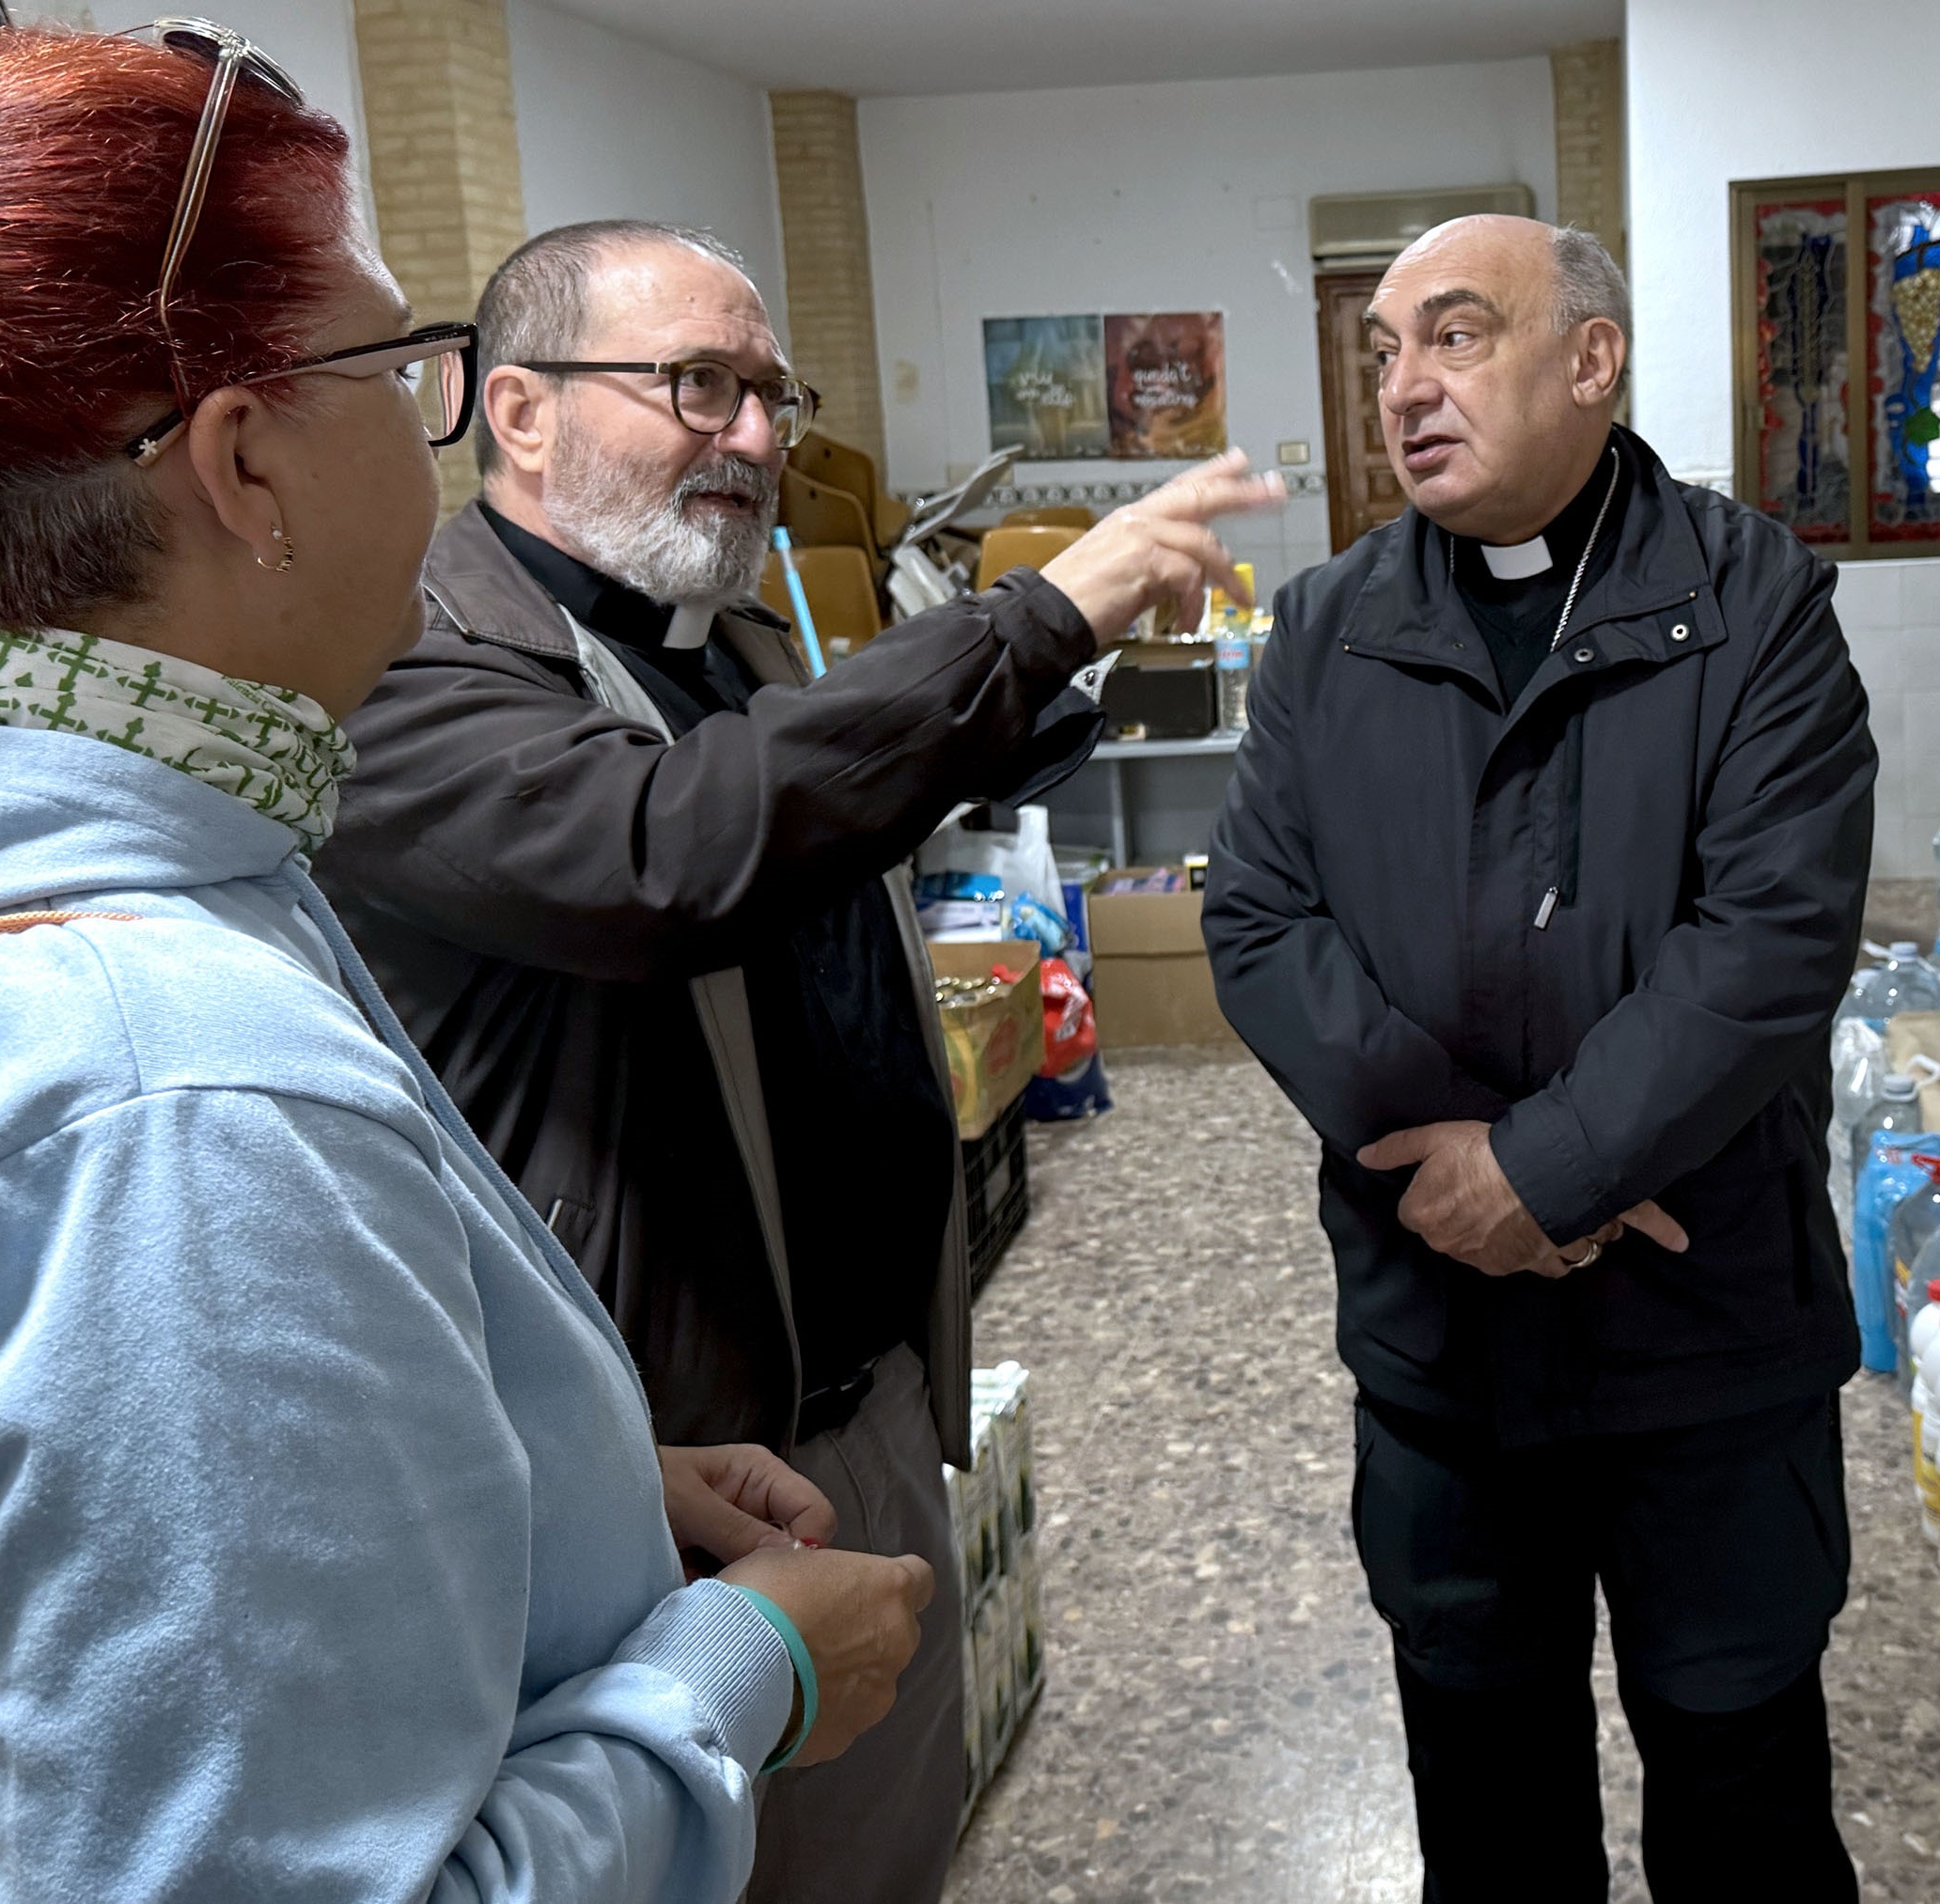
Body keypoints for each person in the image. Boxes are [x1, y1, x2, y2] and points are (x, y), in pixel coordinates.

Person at [0, 28, 933, 1898]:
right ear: (247, 458)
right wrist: (735, 1677)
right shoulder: (161, 1101)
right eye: (403, 370)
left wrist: (555, 1487)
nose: (433, 442)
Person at [316, 218, 1280, 1902]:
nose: (754, 437)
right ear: (519, 411)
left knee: (881, 1846)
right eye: (698, 385)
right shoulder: (414, 673)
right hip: (655, 1469)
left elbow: (817, 808)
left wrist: (1075, 672)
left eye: (768, 392)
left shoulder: (733, 645)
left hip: (861, 1401)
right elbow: (673, 848)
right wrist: (1037, 617)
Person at [1202, 216, 1877, 1900]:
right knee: (1491, 1821)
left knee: (1746, 1815)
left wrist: (1552, 1167)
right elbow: (1261, 922)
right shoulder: (1326, 630)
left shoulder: (1755, 602)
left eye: (1452, 336)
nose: (1404, 389)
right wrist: (1471, 1170)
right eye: (1382, 353)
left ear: (1592, 359)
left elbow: (1774, 938)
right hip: (1445, 1349)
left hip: (1703, 1343)